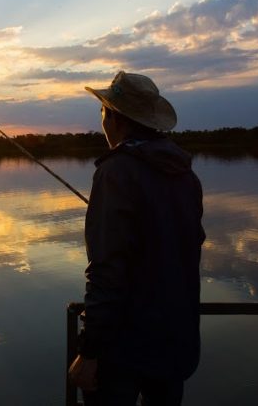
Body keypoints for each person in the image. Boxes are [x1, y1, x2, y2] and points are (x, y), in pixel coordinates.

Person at [69, 71, 205, 405]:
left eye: (103, 111)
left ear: (113, 117)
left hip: (123, 349)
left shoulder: (115, 172)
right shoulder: (185, 174)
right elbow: (187, 248)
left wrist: (89, 350)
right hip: (176, 342)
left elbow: (106, 270)